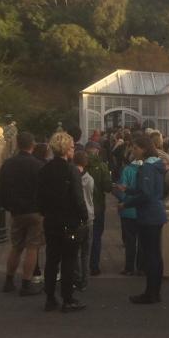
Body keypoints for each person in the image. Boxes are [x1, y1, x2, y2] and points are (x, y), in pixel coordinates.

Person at [36, 132, 87, 313]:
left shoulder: (44, 169)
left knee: (51, 260)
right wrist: (84, 217)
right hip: (69, 221)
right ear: (66, 149)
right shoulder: (71, 170)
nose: (73, 150)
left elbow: (39, 197)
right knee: (69, 261)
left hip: (51, 221)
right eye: (72, 147)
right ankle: (68, 298)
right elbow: (78, 198)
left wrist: (46, 213)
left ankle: (50, 297)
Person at [117, 135, 168, 304]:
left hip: (149, 215)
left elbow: (145, 194)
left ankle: (150, 293)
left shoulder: (147, 167)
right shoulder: (157, 165)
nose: (133, 151)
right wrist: (129, 190)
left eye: (136, 148)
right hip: (157, 213)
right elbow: (148, 189)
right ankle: (155, 291)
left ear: (144, 149)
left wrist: (126, 203)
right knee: (155, 254)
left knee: (150, 255)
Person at [0, 131, 45, 296]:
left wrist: (8, 206)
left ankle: (9, 281)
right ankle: (26, 283)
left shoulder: (8, 164)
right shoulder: (38, 165)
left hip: (17, 211)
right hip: (35, 212)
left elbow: (1, 189)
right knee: (32, 247)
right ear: (33, 145)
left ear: (17, 144)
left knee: (16, 247)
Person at [84, 141, 112, 276]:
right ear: (96, 151)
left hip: (82, 207)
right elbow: (107, 187)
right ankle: (94, 266)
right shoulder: (102, 166)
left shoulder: (79, 165)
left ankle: (80, 266)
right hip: (98, 206)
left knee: (81, 237)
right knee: (96, 236)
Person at [71, 150, 95, 292]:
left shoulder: (72, 178)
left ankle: (76, 278)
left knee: (75, 251)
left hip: (76, 216)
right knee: (86, 252)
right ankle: (85, 280)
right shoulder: (90, 179)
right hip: (89, 216)